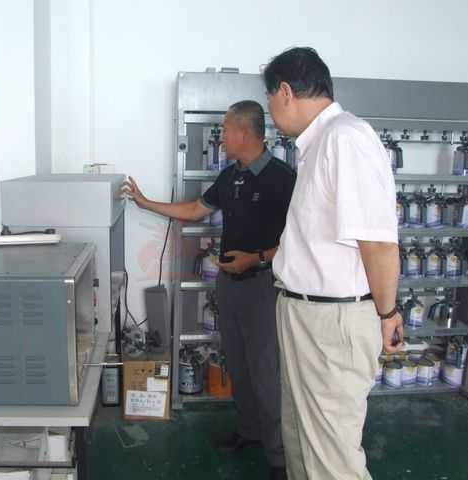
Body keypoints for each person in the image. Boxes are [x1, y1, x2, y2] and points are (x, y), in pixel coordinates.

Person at [123, 100, 295, 480]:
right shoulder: (231, 176)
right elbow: (195, 210)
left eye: (226, 130)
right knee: (239, 365)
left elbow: (300, 240)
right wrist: (145, 203)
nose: (221, 139)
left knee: (266, 372)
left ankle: (280, 458)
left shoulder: (283, 179)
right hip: (229, 286)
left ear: (244, 133)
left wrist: (257, 259)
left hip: (265, 286)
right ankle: (249, 432)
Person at [264, 46, 404, 480]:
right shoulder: (318, 144)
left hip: (332, 321)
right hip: (306, 313)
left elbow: (378, 243)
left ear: (285, 92)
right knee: (302, 441)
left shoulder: (346, 138)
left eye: (270, 100)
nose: (270, 111)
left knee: (331, 459)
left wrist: (388, 313)